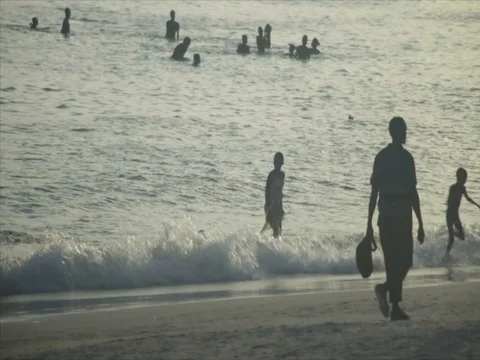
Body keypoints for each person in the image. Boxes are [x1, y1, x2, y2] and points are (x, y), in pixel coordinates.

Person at [366, 117, 425, 321]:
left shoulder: (407, 159)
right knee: (393, 262)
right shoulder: (382, 158)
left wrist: (420, 223)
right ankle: (396, 308)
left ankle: (384, 289)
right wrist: (368, 226)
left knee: (406, 261)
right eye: (404, 130)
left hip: (403, 216)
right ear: (395, 132)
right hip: (389, 217)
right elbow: (374, 193)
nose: (406, 133)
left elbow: (412, 192)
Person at [445, 168, 480, 253]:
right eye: (463, 178)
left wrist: (477, 205)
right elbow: (449, 202)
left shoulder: (462, 188)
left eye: (465, 178)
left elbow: (468, 199)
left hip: (455, 215)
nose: (465, 180)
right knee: (451, 240)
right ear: (458, 177)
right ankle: (446, 255)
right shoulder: (453, 188)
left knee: (462, 236)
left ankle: (452, 233)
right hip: (450, 214)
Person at [261, 152, 285, 238]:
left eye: (278, 162)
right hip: (270, 205)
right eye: (275, 162)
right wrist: (268, 206)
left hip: (278, 205)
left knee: (279, 231)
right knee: (274, 228)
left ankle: (273, 248)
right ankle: (267, 247)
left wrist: (281, 206)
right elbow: (267, 191)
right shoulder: (271, 175)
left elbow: (280, 191)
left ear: (282, 163)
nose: (277, 164)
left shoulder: (282, 175)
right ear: (273, 162)